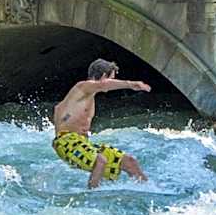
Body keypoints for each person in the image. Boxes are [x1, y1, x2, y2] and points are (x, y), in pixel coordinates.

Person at [52, 59, 150, 188]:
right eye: (112, 78)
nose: (111, 85)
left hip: (82, 142)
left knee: (130, 162)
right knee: (100, 160)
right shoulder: (82, 87)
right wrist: (131, 84)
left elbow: (58, 108)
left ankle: (146, 191)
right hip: (67, 142)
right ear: (104, 76)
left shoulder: (87, 97)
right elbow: (102, 85)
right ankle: (92, 195)